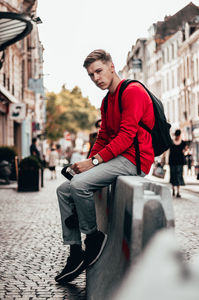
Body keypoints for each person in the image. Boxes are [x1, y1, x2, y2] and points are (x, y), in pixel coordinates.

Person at [55, 49, 155, 283]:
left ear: (112, 66)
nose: (96, 78)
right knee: (63, 190)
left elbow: (126, 135)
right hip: (117, 157)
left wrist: (95, 162)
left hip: (134, 160)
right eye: (91, 75)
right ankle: (75, 252)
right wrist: (86, 163)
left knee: (79, 185)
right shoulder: (106, 101)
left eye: (99, 71)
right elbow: (103, 137)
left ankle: (93, 238)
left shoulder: (133, 92)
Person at [169, 129, 186, 198]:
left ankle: (177, 191)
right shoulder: (174, 142)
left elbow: (185, 151)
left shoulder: (182, 143)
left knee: (177, 176)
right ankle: (174, 190)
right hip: (174, 162)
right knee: (174, 176)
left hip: (177, 162)